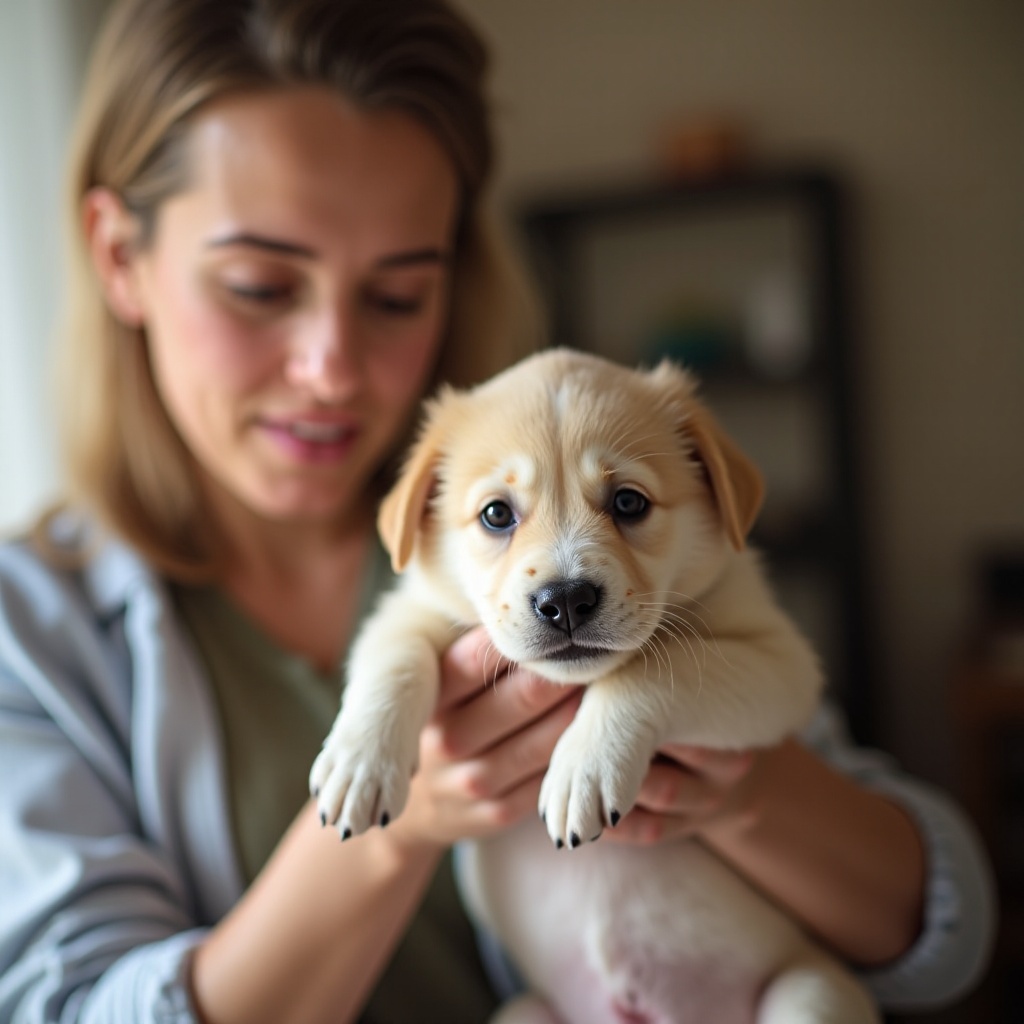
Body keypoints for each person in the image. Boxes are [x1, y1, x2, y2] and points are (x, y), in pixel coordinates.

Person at [0, 1, 995, 1021]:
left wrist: (741, 789)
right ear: (119, 254)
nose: (329, 368)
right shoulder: (30, 633)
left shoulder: (584, 491)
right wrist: (401, 823)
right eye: (258, 285)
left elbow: (934, 926)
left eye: (394, 294)